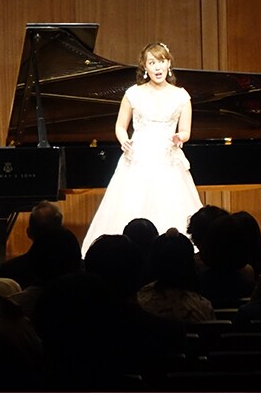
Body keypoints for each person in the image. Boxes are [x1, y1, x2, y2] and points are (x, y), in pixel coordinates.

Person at [81, 43, 202, 255]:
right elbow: (120, 126)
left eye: (162, 61)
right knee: (131, 205)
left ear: (169, 64)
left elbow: (186, 131)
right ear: (144, 67)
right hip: (137, 158)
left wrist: (178, 137)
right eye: (152, 62)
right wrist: (123, 139)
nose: (157, 67)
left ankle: (172, 255)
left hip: (167, 159)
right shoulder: (133, 94)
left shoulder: (181, 96)